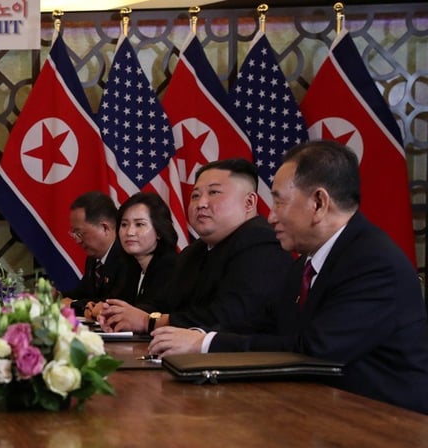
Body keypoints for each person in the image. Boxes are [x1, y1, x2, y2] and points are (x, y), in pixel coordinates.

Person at [149, 140, 428, 414]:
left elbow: (315, 350)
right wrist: (196, 336)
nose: (270, 217)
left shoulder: (372, 263)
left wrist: (205, 344)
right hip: (321, 410)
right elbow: (266, 323)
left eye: (279, 202)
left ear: (319, 203)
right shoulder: (307, 262)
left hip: (386, 424)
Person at [100, 158, 292, 335]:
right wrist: (121, 315)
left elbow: (227, 319)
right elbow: (165, 303)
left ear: (249, 202)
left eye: (214, 192)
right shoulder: (194, 251)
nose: (201, 203)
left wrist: (148, 322)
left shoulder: (262, 244)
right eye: (195, 195)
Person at [60, 191, 129, 319]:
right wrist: (56, 297)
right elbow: (81, 293)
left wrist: (72, 305)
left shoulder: (127, 257)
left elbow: (110, 303)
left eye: (80, 233)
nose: (77, 240)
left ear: (105, 228)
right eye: (73, 234)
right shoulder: (93, 260)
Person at [108, 192, 178, 310]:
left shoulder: (171, 267)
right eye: (124, 224)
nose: (129, 232)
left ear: (159, 231)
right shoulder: (131, 266)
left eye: (139, 224)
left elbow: (152, 311)